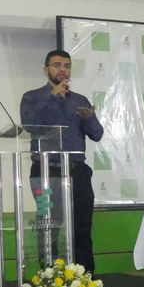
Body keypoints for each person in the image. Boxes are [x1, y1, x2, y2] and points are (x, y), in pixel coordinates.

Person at [20, 49, 104, 273]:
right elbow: (29, 125)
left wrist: (89, 119)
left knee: (81, 228)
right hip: (46, 172)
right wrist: (52, 96)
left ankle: (84, 279)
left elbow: (97, 134)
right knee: (48, 227)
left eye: (66, 66)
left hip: (77, 172)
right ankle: (49, 276)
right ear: (46, 69)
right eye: (57, 65)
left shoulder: (80, 100)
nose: (62, 70)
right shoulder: (32, 97)